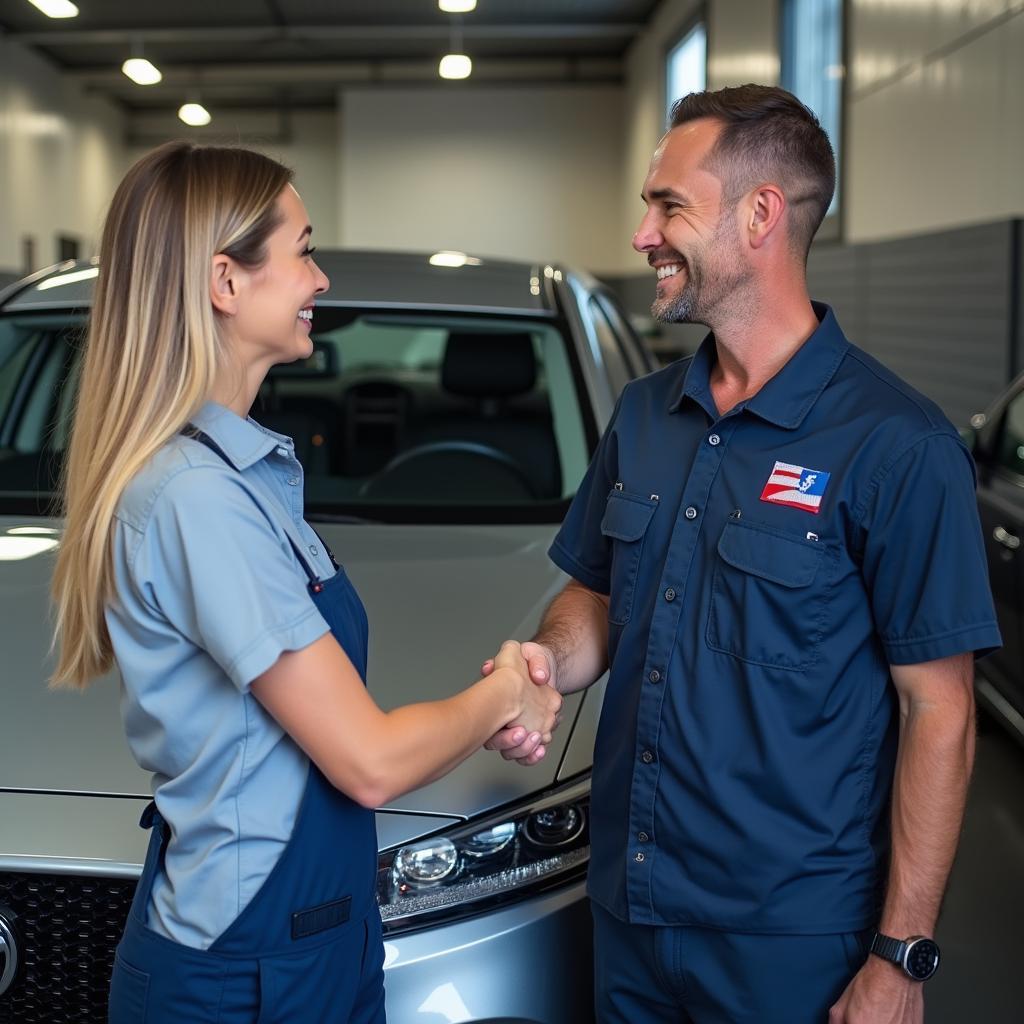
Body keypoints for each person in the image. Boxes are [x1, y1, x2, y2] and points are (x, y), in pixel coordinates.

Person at [483, 85, 1000, 1023]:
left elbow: (940, 712)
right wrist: (546, 661)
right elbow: (597, 595)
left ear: (761, 215)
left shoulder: (896, 445)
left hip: (793, 945)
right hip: (628, 909)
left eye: (668, 205)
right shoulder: (644, 416)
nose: (643, 234)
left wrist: (900, 958)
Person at [49, 141, 561, 1024]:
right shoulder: (198, 499)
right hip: (245, 974)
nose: (321, 278)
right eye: (304, 250)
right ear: (225, 282)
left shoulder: (241, 474)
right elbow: (367, 762)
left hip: (312, 942)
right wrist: (509, 691)